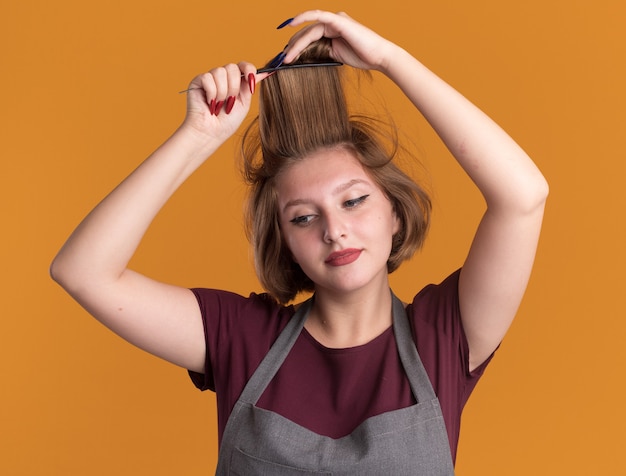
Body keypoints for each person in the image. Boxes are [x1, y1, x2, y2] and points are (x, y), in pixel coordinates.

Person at [50, 10, 548, 475]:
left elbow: (524, 196)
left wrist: (388, 60)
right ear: (284, 240)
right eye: (304, 217)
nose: (334, 229)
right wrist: (198, 135)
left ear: (395, 213)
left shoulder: (444, 335)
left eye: (353, 202)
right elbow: (83, 271)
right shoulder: (240, 338)